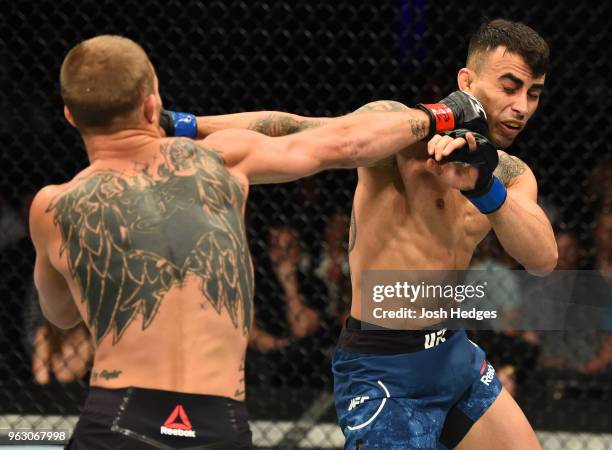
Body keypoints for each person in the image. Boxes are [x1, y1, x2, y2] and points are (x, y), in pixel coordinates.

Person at [28, 35, 483, 449]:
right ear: (152, 105)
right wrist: (443, 113)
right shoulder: (220, 161)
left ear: (70, 115)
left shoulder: (52, 208)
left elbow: (60, 313)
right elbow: (343, 144)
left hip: (115, 416)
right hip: (216, 421)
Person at [186, 18, 557, 450]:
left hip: (455, 356)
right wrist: (184, 127)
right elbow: (294, 128)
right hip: (385, 368)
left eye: (533, 93)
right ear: (467, 81)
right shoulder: (398, 131)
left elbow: (543, 258)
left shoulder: (510, 173)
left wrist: (483, 185)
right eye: (510, 86)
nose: (522, 107)